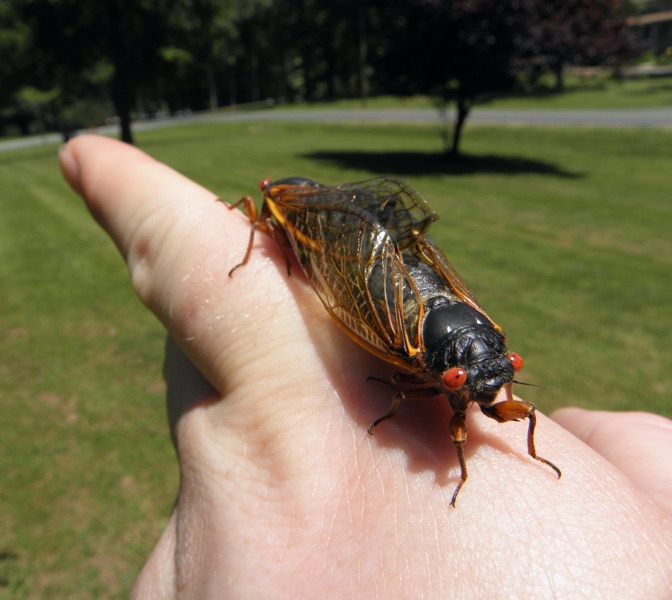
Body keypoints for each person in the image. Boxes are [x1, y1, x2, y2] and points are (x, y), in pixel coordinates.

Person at [58, 135, 672, 599]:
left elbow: (495, 395)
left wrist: (523, 446)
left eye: (505, 369)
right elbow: (404, 383)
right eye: (466, 380)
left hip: (439, 314)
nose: (498, 385)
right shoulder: (424, 362)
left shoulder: (484, 374)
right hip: (401, 317)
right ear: (448, 377)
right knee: (370, 336)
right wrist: (405, 396)